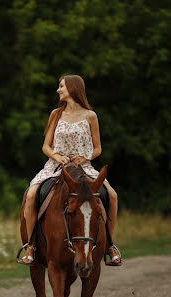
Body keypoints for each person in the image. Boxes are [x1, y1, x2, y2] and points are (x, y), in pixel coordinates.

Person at [21, 74, 121, 266]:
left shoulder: (90, 116)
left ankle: (110, 244)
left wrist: (86, 157)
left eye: (62, 87)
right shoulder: (55, 114)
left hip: (83, 168)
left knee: (113, 196)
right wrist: (56, 156)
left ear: (73, 88)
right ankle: (30, 246)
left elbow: (98, 148)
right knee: (32, 194)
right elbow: (46, 146)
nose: (58, 90)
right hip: (56, 167)